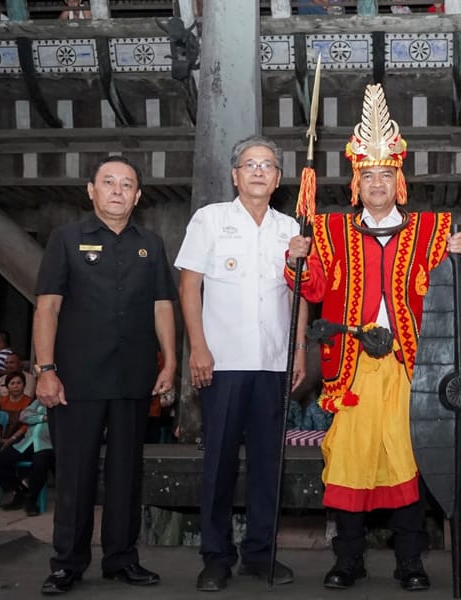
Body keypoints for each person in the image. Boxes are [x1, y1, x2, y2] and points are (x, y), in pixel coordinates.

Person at [286, 83, 461, 592]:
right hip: (351, 367)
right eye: (368, 175)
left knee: (405, 461)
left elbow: (459, 292)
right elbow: (313, 287)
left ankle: (409, 561)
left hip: (411, 369)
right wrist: (295, 259)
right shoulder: (329, 231)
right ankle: (348, 560)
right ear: (356, 181)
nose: (376, 183)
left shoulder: (434, 230)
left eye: (385, 175)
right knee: (349, 462)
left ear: (399, 179)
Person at [33, 155, 177, 595]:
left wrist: (170, 361)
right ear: (90, 190)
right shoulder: (66, 239)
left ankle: (121, 559)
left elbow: (162, 307)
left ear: (138, 195)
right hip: (75, 379)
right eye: (108, 182)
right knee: (75, 474)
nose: (118, 190)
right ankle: (67, 564)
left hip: (133, 378)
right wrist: (45, 370)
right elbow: (48, 307)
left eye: (127, 184)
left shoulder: (150, 245)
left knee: (126, 474)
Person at [175, 134, 307, 592]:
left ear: (277, 179)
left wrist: (299, 350)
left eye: (267, 165)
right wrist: (198, 346)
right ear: (235, 175)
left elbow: (299, 292)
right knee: (220, 463)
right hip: (222, 361)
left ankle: (260, 554)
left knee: (269, 464)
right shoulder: (210, 220)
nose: (257, 171)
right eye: (249, 164)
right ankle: (215, 557)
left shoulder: (290, 228)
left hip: (273, 362)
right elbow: (189, 286)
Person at [0, 396, 54, 517]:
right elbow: (24, 416)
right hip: (26, 442)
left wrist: (36, 418)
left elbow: (61, 420)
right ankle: (20, 489)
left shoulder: (64, 403)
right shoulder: (39, 401)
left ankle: (31, 500)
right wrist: (44, 417)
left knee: (41, 464)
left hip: (47, 444)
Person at [0, 371, 32, 444]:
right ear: (7, 386)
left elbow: (27, 425)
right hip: (0, 439)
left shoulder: (29, 402)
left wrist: (12, 439)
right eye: (12, 383)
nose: (16, 386)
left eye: (19, 383)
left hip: (21, 440)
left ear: (24, 385)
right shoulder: (1, 402)